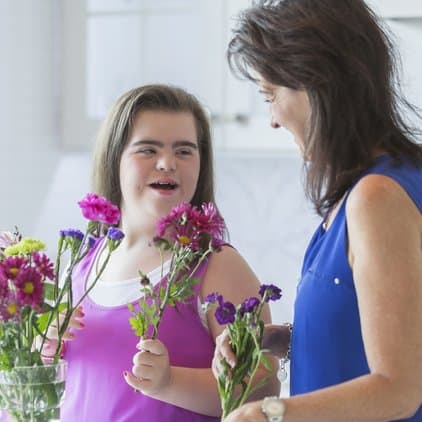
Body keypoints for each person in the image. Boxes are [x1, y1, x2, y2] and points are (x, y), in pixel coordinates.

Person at [213, 0, 422, 420]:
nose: (272, 119)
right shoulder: (368, 189)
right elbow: (367, 340)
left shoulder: (376, 198)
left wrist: (269, 412)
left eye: (271, 95)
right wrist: (281, 339)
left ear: (316, 82)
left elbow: (399, 388)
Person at [53, 84, 279, 421]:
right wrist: (45, 351)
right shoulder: (83, 263)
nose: (167, 163)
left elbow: (263, 391)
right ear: (114, 159)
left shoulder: (217, 266)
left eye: (185, 151)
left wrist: (170, 382)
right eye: (147, 150)